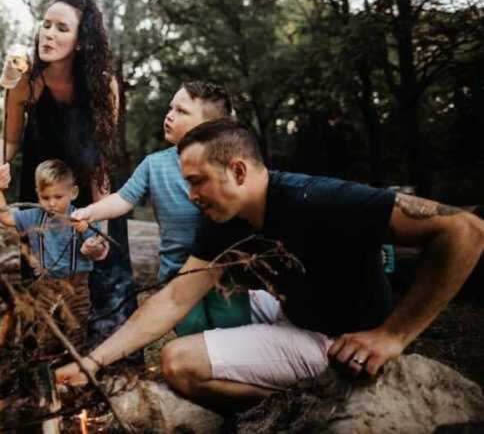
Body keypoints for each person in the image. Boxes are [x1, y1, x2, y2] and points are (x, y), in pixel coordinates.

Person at [56, 118, 484, 412]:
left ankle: (315, 404)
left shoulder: (319, 199)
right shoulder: (224, 217)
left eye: (196, 180)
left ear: (238, 170)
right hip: (290, 312)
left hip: (334, 340)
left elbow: (465, 230)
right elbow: (173, 298)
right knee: (212, 302)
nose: (191, 195)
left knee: (177, 362)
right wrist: (94, 361)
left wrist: (393, 335)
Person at [0, 0, 138, 348]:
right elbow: (9, 140)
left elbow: (101, 160)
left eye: (61, 28)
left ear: (82, 41)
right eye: (46, 25)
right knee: (44, 294)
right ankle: (45, 370)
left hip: (89, 197)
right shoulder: (27, 80)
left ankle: (108, 368)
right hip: (42, 195)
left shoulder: (103, 85)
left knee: (101, 288)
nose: (48, 34)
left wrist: (100, 226)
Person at [71, 81, 250, 336]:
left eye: (181, 111)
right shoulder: (154, 164)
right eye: (170, 108)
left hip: (226, 271)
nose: (169, 115)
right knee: (192, 334)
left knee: (235, 336)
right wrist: (90, 211)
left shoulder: (227, 164)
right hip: (176, 274)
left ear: (209, 126)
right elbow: (123, 199)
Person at [0, 159, 109, 350]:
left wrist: (87, 238)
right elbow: (4, 217)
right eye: (46, 198)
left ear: (73, 193)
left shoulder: (83, 217)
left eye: (58, 196)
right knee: (43, 328)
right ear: (38, 195)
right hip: (45, 284)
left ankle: (73, 367)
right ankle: (43, 366)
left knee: (76, 328)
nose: (52, 203)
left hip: (77, 284)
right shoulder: (33, 216)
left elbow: (98, 250)